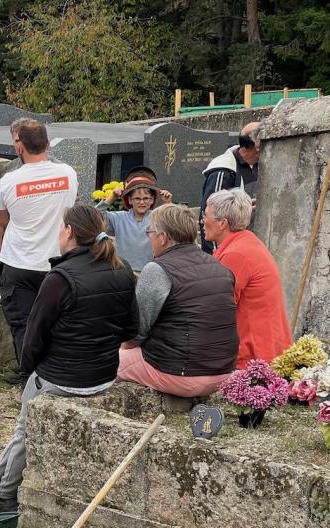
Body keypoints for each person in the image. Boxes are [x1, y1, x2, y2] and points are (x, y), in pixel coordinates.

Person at [0, 205, 138, 510]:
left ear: (68, 231)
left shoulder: (61, 278)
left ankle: (4, 494)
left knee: (24, 428)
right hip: (103, 375)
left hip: (63, 377)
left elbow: (34, 335)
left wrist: (29, 372)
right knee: (23, 427)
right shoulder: (123, 269)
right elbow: (132, 328)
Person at [117, 204, 238, 396]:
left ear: (163, 238)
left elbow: (136, 331)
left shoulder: (157, 269)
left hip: (182, 373)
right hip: (224, 372)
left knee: (102, 361)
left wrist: (123, 349)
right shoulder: (220, 267)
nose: (148, 237)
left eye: (149, 232)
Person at [0, 118, 78, 387]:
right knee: (56, 320)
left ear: (20, 147)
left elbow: (1, 217)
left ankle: (29, 375)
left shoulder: (10, 181)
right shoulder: (67, 173)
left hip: (19, 261)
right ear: (48, 144)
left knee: (22, 322)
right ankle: (56, 371)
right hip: (57, 260)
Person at [203, 188, 291, 367]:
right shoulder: (245, 243)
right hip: (265, 349)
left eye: (206, 216)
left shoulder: (236, 254)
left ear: (222, 223)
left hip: (254, 356)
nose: (202, 221)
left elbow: (217, 308)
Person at [199, 121, 261, 253]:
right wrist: (216, 256)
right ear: (257, 145)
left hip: (250, 245)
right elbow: (210, 216)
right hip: (228, 252)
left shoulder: (260, 165)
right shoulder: (223, 171)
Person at [97, 170, 173, 272]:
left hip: (149, 271)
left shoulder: (157, 217)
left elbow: (174, 223)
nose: (142, 202)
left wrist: (168, 204)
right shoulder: (119, 218)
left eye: (146, 198)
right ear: (129, 200)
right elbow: (95, 216)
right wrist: (112, 197)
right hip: (123, 271)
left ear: (152, 200)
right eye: (137, 198)